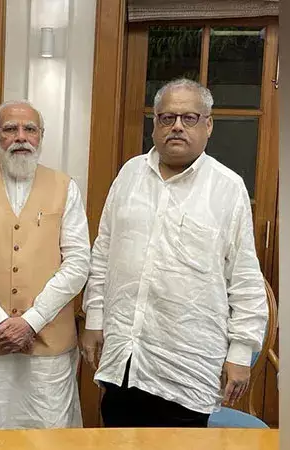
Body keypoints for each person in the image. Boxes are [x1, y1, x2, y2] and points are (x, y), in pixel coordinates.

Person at [80, 79, 269, 428]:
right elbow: (103, 252)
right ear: (155, 125)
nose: (177, 126)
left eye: (189, 118)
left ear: (208, 125)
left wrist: (241, 353)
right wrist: (94, 319)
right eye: (167, 118)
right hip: (124, 356)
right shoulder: (129, 175)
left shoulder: (227, 188)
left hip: (186, 366)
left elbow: (244, 277)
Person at [0, 100, 91, 431]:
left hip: (47, 344)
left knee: (46, 431)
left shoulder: (65, 187)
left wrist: (31, 322)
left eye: (30, 129)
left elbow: (78, 262)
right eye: (10, 129)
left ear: (41, 136)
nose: (21, 137)